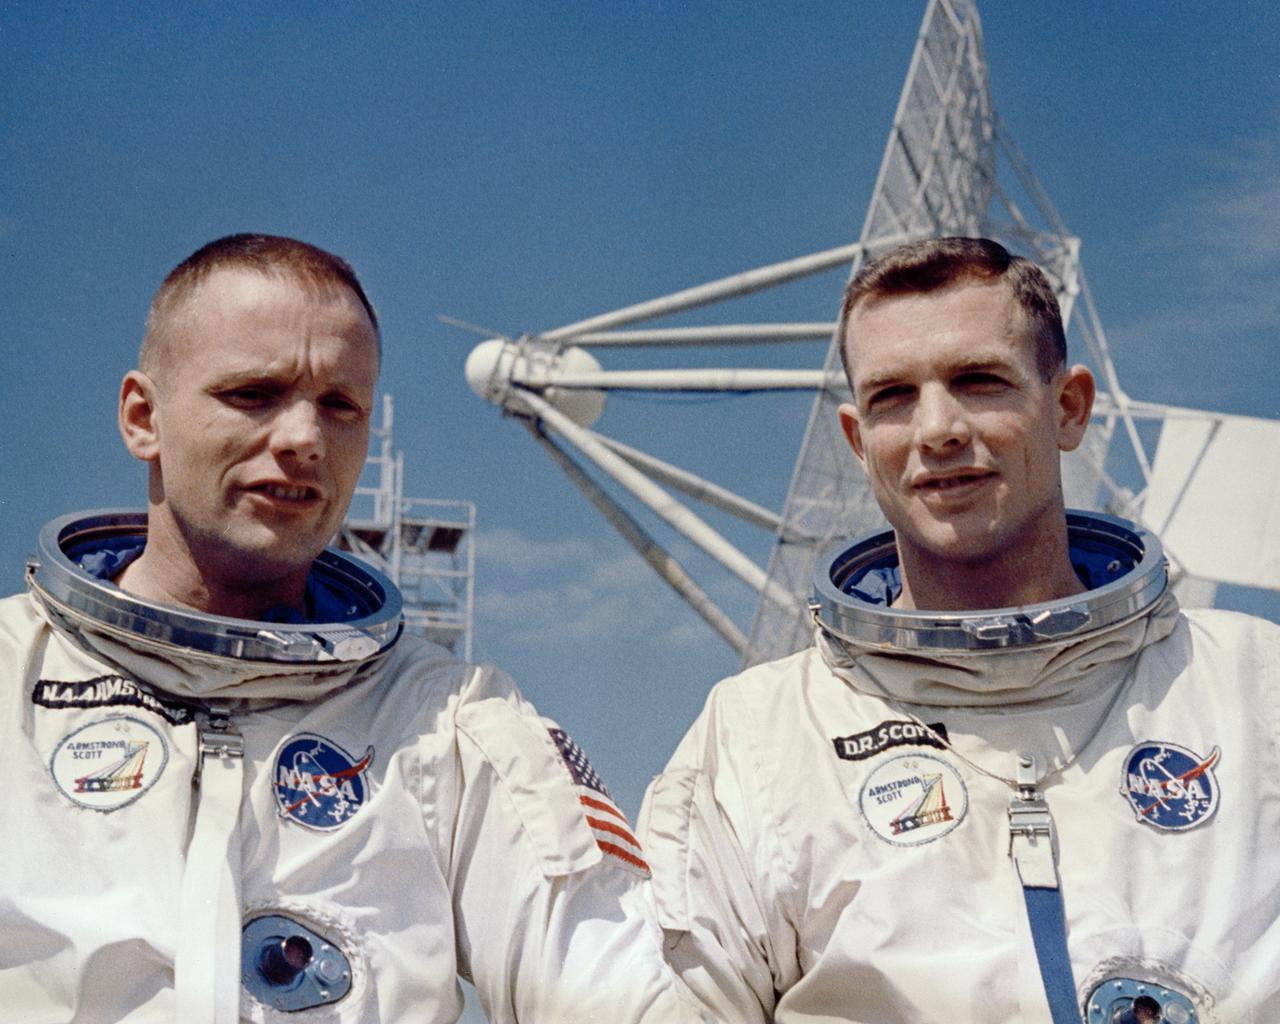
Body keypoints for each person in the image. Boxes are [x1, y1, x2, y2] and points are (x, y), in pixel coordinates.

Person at [0, 234, 706, 1023]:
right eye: (254, 393)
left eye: (340, 406)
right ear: (143, 418)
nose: (305, 439)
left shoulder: (450, 723)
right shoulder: (10, 677)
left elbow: (618, 992)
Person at [638, 237, 1280, 1022]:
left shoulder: (1254, 686)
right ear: (858, 440)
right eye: (893, 396)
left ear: (1069, 408)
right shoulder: (755, 742)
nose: (937, 429)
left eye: (979, 381)